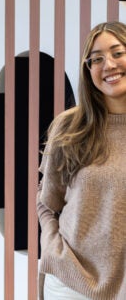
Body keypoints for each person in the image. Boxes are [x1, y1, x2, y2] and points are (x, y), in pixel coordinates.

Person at [37, 21, 126, 300]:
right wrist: (53, 247)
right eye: (96, 59)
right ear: (88, 71)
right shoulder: (71, 127)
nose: (108, 65)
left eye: (117, 53)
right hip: (70, 284)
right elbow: (47, 201)